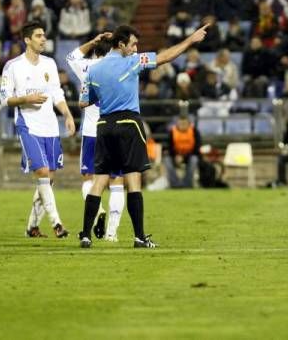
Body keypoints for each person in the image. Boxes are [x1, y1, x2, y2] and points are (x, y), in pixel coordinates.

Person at [78, 23, 209, 249]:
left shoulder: (94, 70)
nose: (136, 48)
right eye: (133, 44)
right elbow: (165, 57)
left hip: (104, 125)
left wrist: (108, 92)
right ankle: (139, 237)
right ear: (121, 45)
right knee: (133, 179)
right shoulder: (133, 62)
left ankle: (86, 235)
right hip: (129, 123)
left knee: (99, 179)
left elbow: (83, 102)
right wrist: (190, 40)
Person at [0, 21, 75, 238]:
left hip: (50, 126)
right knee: (41, 172)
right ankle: (57, 223)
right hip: (28, 125)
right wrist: (25, 98)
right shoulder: (13, 66)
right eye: (39, 36)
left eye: (44, 35)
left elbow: (56, 94)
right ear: (27, 40)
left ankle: (32, 226)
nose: (43, 39)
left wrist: (67, 114)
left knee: (49, 178)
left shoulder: (50, 64)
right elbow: (4, 99)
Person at [66, 33, 126, 242]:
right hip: (116, 130)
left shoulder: (88, 68)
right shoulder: (122, 65)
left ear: (95, 51)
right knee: (117, 181)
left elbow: (71, 57)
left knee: (89, 179)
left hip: (92, 131)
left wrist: (93, 41)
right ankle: (112, 232)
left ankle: (98, 208)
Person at [164, 116, 202, 188]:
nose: (182, 125)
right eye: (181, 123)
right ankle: (175, 184)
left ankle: (187, 184)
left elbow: (197, 148)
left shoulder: (194, 131)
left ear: (189, 124)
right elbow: (169, 147)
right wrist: (175, 156)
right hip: (176, 156)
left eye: (185, 124)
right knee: (167, 159)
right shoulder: (172, 132)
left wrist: (184, 157)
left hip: (190, 156)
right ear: (177, 123)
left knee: (194, 159)